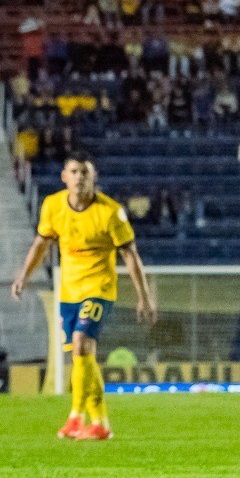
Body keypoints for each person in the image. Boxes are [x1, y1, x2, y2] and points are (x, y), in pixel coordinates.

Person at [11, 152, 157, 442]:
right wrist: (23, 276)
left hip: (99, 289)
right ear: (64, 177)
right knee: (82, 357)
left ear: (94, 178)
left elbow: (130, 254)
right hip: (69, 292)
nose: (79, 178)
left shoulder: (110, 212)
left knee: (81, 344)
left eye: (85, 173)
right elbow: (42, 243)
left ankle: (78, 417)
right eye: (74, 172)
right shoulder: (52, 206)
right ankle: (96, 423)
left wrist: (144, 297)